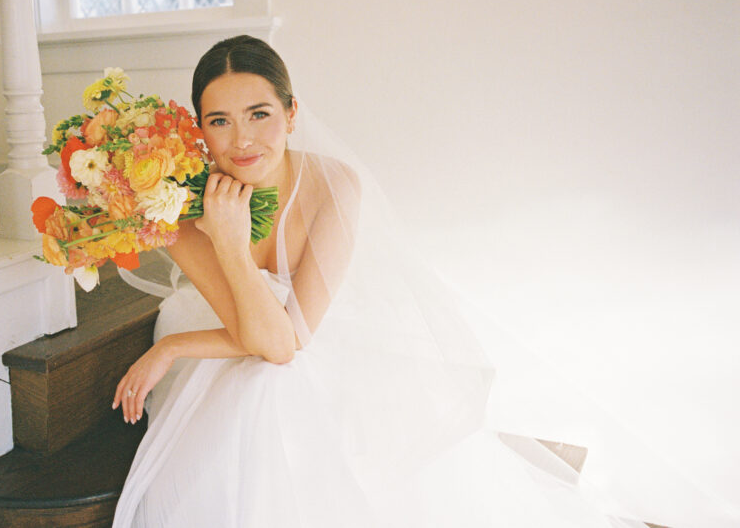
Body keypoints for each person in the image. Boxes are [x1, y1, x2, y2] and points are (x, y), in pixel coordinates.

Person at [110, 36, 643, 527]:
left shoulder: (333, 182)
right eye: (219, 121)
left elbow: (288, 340)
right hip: (233, 323)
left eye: (259, 114)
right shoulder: (177, 208)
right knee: (267, 388)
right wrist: (216, 241)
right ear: (198, 131)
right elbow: (265, 340)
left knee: (279, 383)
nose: (242, 139)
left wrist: (182, 336)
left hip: (317, 330)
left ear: (292, 114)